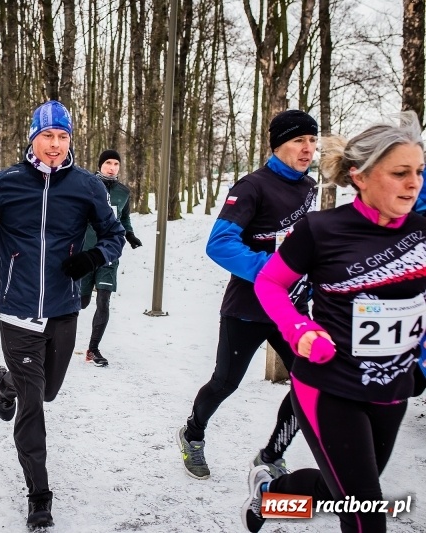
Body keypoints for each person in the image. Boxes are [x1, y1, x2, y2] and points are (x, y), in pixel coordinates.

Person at [241, 111, 426, 533]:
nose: (413, 183)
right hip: (328, 386)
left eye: (418, 171)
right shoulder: (322, 230)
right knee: (365, 512)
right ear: (360, 176)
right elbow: (269, 283)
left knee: (345, 491)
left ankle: (272, 499)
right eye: (399, 173)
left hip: (391, 388)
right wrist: (299, 328)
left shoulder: (421, 232)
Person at [0, 100, 125, 528]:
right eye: (47, 135)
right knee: (35, 405)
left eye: (62, 136)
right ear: (32, 138)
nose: (55, 144)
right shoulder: (7, 181)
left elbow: (114, 233)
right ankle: (39, 495)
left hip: (64, 308)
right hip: (18, 310)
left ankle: (3, 380)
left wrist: (93, 258)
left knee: (47, 391)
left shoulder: (86, 185)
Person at [176, 110, 320, 480]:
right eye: (299, 141)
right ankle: (192, 435)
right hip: (248, 308)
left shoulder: (308, 188)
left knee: (312, 383)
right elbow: (219, 244)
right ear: (278, 144)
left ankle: (272, 455)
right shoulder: (251, 187)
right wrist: (277, 274)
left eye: (312, 141)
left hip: (292, 309)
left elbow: (300, 245)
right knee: (225, 382)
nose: (308, 149)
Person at [79, 149, 142, 367]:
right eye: (108, 163)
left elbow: (124, 219)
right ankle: (53, 334)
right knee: (82, 302)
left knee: (103, 300)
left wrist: (130, 235)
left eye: (116, 163)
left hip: (109, 254)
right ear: (100, 165)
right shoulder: (86, 186)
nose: (112, 167)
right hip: (85, 253)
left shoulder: (123, 192)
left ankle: (93, 349)